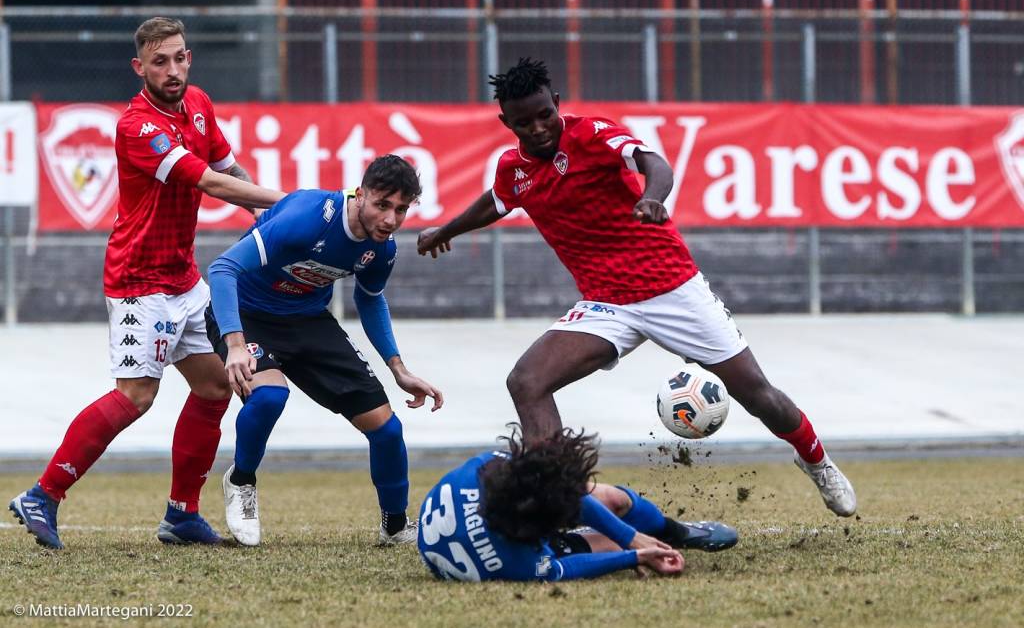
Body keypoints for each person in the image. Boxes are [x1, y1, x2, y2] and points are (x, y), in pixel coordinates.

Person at [417, 58, 857, 518]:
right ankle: (555, 500)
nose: (539, 128)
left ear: (558, 105)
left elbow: (654, 163)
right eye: (524, 123)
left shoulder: (592, 134)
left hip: (673, 289)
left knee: (757, 395)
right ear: (507, 123)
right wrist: (446, 230)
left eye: (545, 114)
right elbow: (498, 201)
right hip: (606, 304)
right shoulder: (514, 168)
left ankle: (816, 460)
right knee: (526, 381)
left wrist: (652, 196)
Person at [8, 17, 285, 550]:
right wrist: (289, 202)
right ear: (141, 68)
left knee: (214, 386)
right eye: (161, 61)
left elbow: (234, 173)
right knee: (137, 395)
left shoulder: (200, 105)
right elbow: (206, 180)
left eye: (180, 57)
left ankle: (181, 515)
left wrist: (272, 220)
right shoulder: (137, 126)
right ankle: (43, 495)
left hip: (183, 278)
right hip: (139, 282)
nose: (174, 69)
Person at [205, 154, 443, 547]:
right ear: (360, 194)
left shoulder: (381, 250)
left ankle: (396, 525)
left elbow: (370, 300)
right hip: (246, 315)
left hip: (308, 321)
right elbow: (222, 269)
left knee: (387, 429)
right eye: (382, 205)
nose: (390, 219)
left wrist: (397, 367)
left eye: (401, 210)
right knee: (268, 397)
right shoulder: (310, 215)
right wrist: (233, 344)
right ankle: (241, 480)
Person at [417, 424, 737, 582]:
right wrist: (633, 555)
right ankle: (654, 544)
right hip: (502, 541)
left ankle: (673, 532)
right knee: (612, 547)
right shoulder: (520, 563)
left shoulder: (485, 470)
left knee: (610, 500)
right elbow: (561, 568)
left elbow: (562, 491)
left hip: (501, 522)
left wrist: (632, 537)